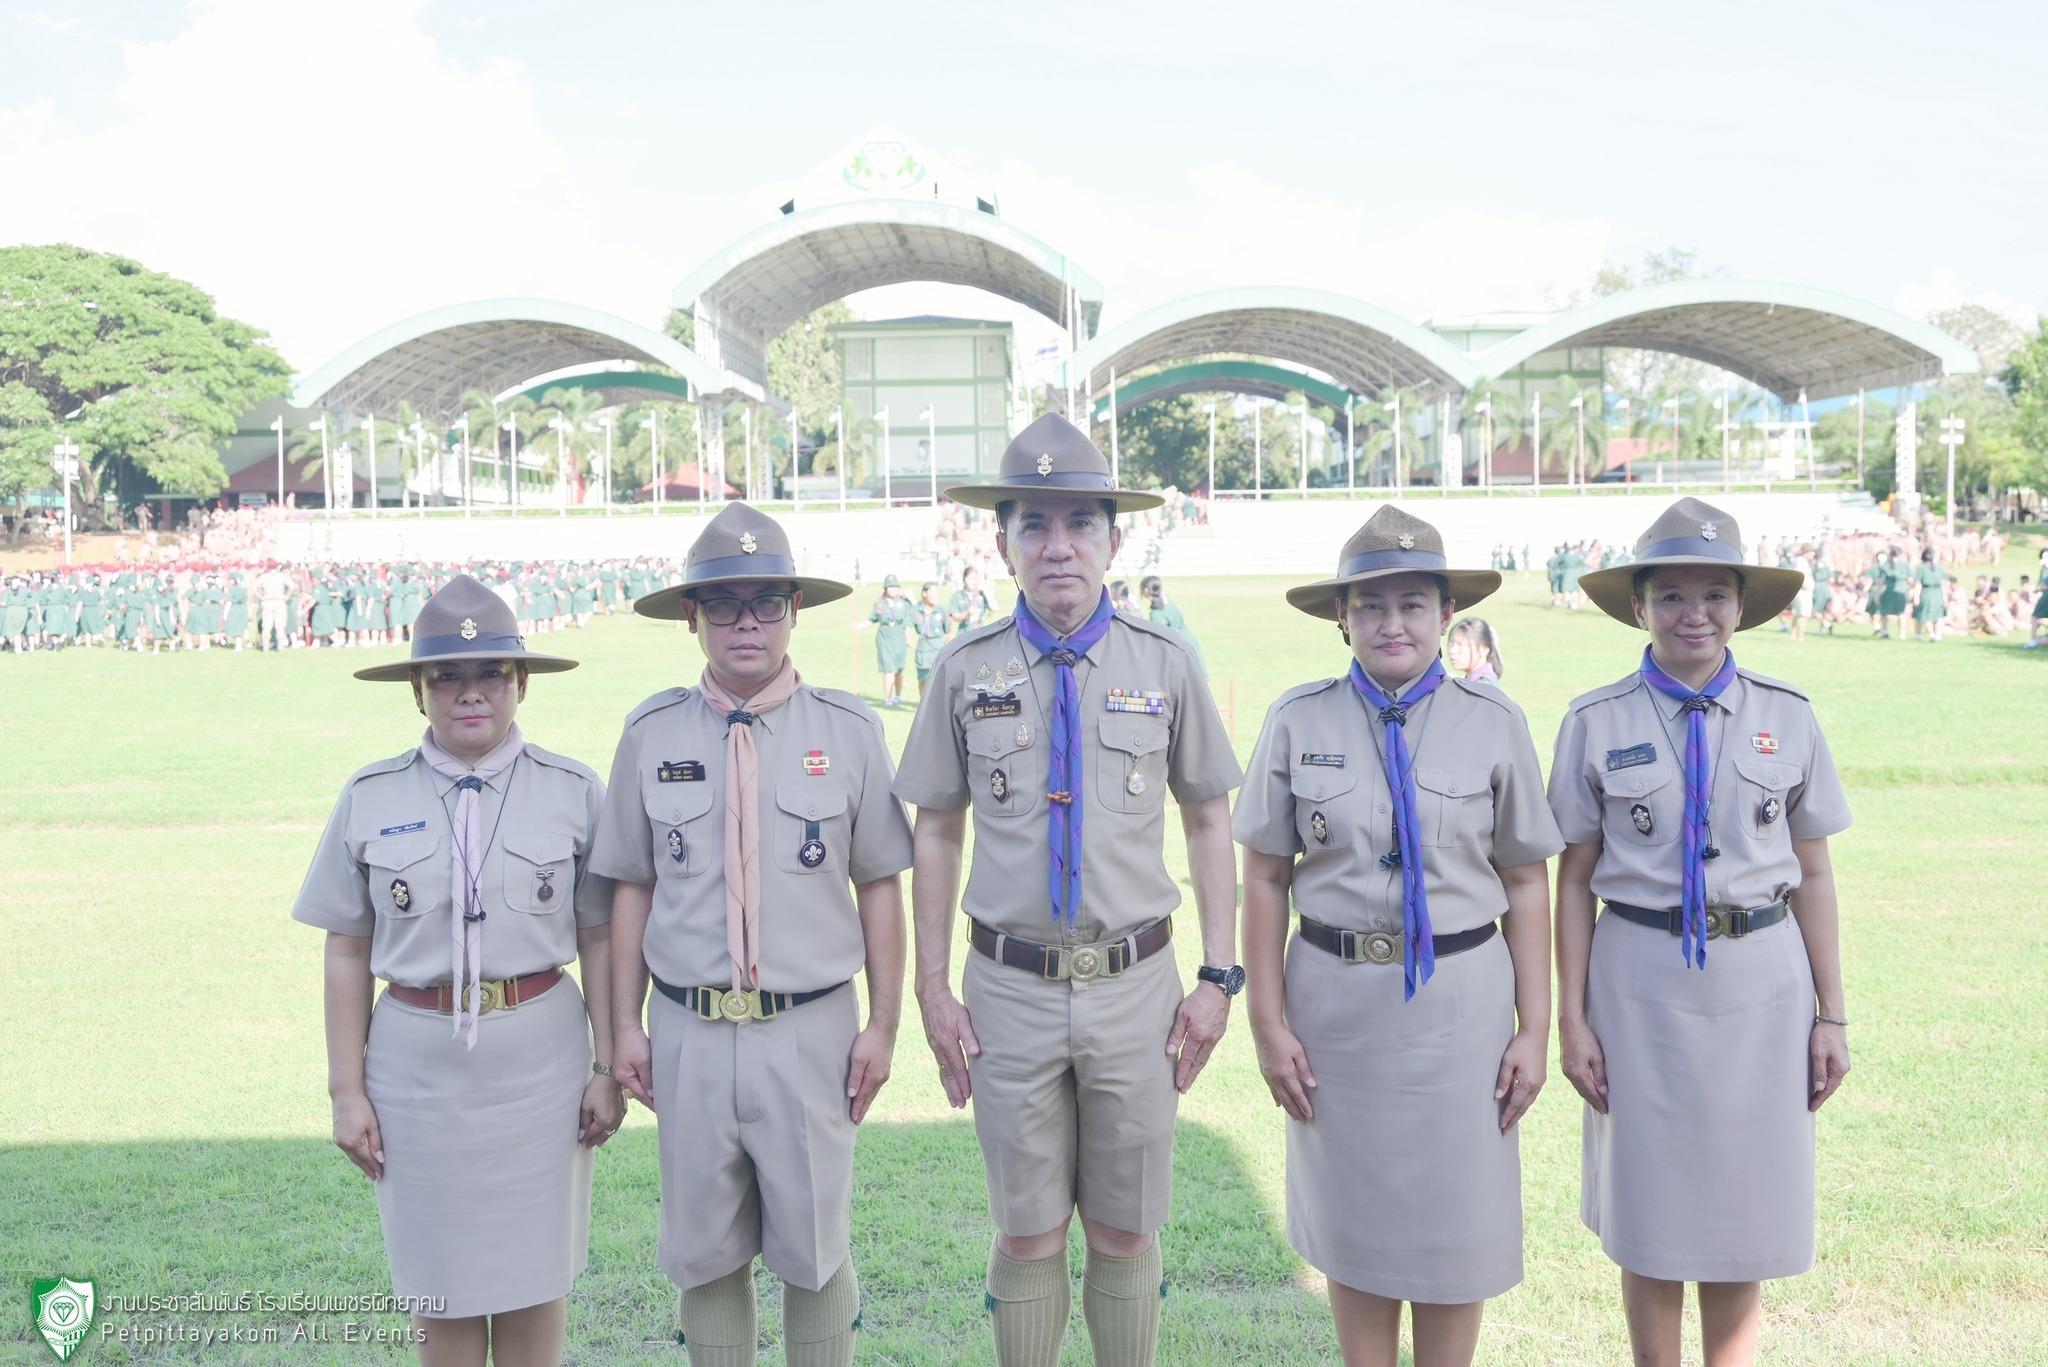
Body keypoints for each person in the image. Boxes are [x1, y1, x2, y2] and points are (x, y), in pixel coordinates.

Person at [895, 413, 1244, 1367]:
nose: (1058, 547)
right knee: (1027, 1233)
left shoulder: (1162, 661)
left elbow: (1210, 815)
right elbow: (935, 826)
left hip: (1138, 986)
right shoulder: (965, 670)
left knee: (1127, 1232)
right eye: (1035, 525)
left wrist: (1220, 976)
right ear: (1001, 540)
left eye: (1080, 523)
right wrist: (933, 988)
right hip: (1007, 988)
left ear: (1112, 539)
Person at [1235, 506, 1561, 1367]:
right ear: (1341, 615)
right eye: (1371, 606)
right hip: (1337, 1013)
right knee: (1358, 1229)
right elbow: (1265, 875)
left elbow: (1528, 881)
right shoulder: (1298, 720)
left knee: (1458, 1235)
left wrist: (1537, 1029)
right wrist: (1267, 1024)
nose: (1392, 623)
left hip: (1462, 1012)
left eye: (1413, 603)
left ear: (1447, 616)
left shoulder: (1495, 724)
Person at [594, 503, 911, 1367]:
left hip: (809, 1028)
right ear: (692, 616)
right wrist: (625, 1026)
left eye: (766, 602)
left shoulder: (847, 732)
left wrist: (883, 1024)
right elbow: (631, 886)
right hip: (691, 1029)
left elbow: (879, 883)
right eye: (725, 605)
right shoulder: (650, 732)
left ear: (793, 612)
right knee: (705, 1256)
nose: (746, 623)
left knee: (815, 1252)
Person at [1550, 497, 1852, 1367]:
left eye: (1715, 593)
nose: (1695, 614)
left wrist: (1833, 1013)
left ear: (1740, 605)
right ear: (1638, 605)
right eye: (1672, 594)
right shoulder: (1594, 721)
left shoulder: (1787, 714)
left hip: (1763, 983)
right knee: (1650, 1211)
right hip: (1639, 982)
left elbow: (1816, 872)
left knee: (1740, 1208)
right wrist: (1574, 1017)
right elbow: (1571, 878)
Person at [291, 574, 620, 1366]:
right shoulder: (371, 795)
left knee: (537, 1281)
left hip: (541, 1066)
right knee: (438, 1286)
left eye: (491, 674)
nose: (470, 693)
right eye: (446, 676)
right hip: (415, 1071)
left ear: (521, 682)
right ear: (417, 689)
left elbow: (603, 936)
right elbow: (345, 947)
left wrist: (609, 1064)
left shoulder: (572, 790)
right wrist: (346, 1089)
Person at [1140, 575, 1206, 677]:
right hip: (1188, 638)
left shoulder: (1156, 613)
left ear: (1146, 590)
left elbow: (1160, 639)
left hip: (1179, 646)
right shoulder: (1166, 600)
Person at [865, 574, 910, 708]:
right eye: (891, 586)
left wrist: (908, 638)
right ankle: (888, 698)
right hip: (885, 637)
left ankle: (898, 695)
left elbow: (908, 622)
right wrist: (859, 626)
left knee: (899, 669)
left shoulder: (903, 603)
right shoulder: (880, 603)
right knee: (889, 669)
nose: (893, 589)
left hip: (899, 636)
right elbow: (872, 619)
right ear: (885, 588)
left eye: (896, 586)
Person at [911, 580, 950, 704]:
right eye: (932, 592)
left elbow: (948, 630)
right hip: (923, 647)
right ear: (924, 593)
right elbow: (907, 625)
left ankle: (938, 704)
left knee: (940, 679)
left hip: (938, 646)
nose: (935, 595)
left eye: (937, 592)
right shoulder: (916, 609)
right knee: (923, 679)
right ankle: (923, 703)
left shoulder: (942, 610)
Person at [1909, 548, 1951, 642]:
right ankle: (1938, 634)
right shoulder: (1940, 567)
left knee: (1926, 614)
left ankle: (1931, 634)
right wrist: (1945, 597)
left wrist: (1916, 596)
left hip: (1926, 593)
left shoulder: (1922, 568)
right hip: (1938, 593)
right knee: (1938, 615)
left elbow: (1918, 584)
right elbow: (1944, 584)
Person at [1446, 616, 1504, 684]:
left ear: (1484, 648)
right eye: (1452, 643)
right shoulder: (1473, 682)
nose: (1452, 651)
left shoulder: (1484, 687)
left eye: (1460, 644)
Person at [948, 564, 995, 635]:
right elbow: (955, 616)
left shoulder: (981, 594)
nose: (973, 582)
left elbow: (994, 608)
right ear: (964, 579)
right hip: (964, 632)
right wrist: (968, 613)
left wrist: (986, 590)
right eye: (970, 579)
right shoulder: (957, 595)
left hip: (980, 633)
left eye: (975, 579)